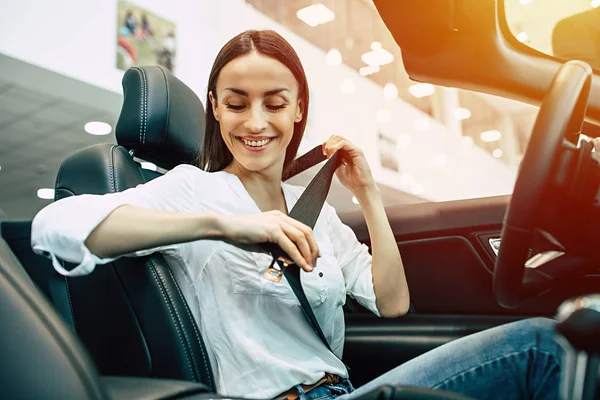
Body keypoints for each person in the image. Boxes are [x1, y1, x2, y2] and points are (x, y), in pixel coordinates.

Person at [31, 30, 562, 400]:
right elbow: (54, 227)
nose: (256, 122)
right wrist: (227, 225)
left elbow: (393, 303)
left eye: (275, 103)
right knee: (541, 347)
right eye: (237, 104)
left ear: (299, 108)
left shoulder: (320, 215)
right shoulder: (194, 190)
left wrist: (370, 196)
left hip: (342, 388)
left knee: (548, 339)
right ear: (215, 108)